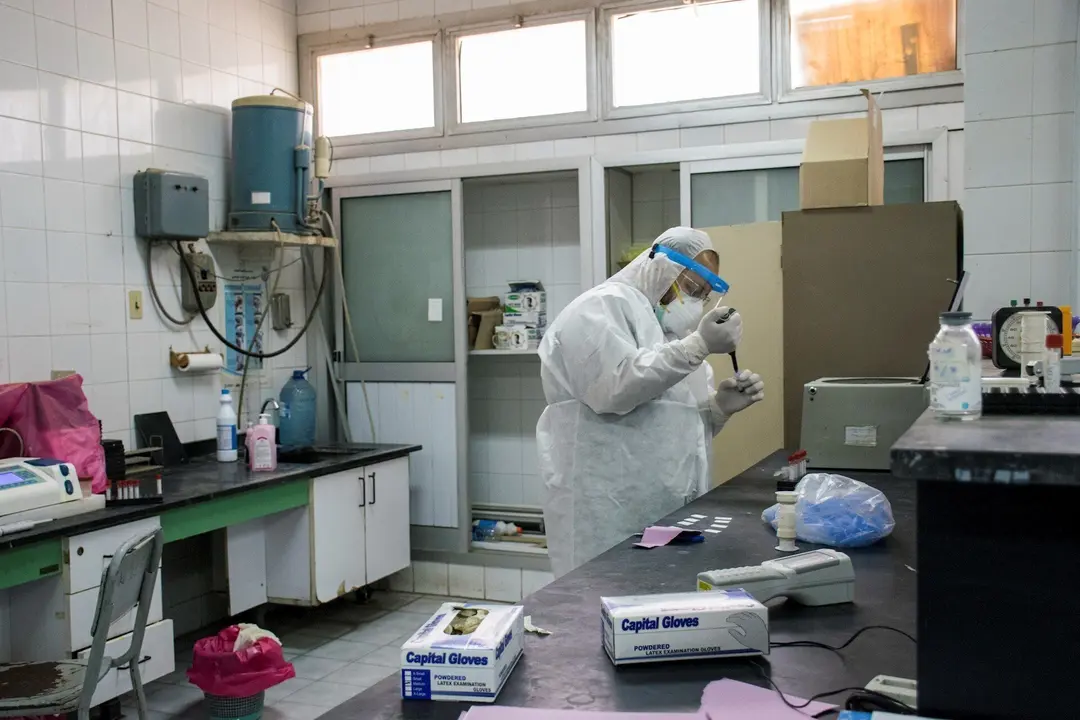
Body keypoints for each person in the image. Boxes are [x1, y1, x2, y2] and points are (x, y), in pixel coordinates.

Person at [536, 227, 765, 578]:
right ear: (660, 266)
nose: (694, 302)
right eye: (690, 287)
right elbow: (613, 389)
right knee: (597, 610)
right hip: (604, 512)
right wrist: (698, 346)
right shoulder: (602, 307)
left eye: (703, 295)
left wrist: (717, 409)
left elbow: (673, 429)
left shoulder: (677, 339)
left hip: (664, 512)